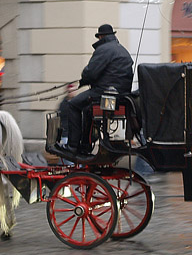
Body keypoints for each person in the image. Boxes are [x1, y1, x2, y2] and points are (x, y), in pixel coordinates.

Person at [56, 24, 134, 156]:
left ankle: (73, 146)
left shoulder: (104, 49)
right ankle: (85, 144)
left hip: (105, 93)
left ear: (101, 37)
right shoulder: (122, 50)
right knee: (86, 109)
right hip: (121, 95)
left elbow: (90, 73)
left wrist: (83, 80)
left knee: (73, 105)